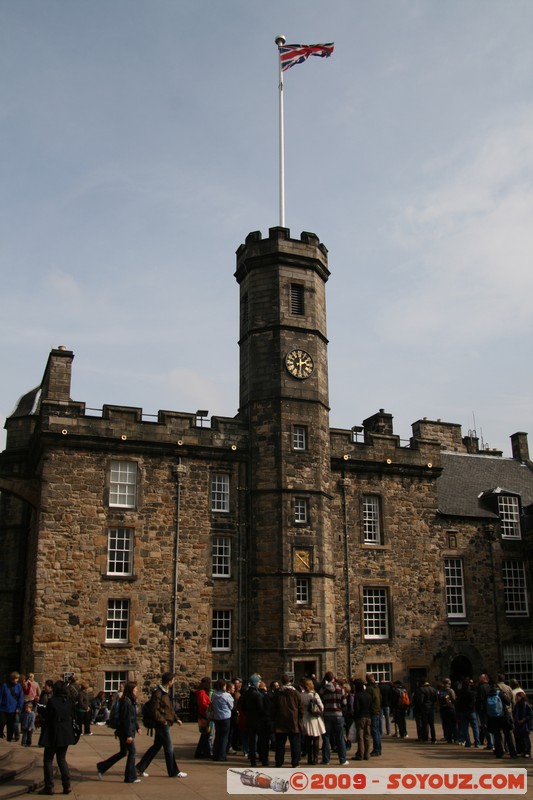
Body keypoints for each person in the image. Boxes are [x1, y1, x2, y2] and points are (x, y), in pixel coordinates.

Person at [136, 672, 187, 779]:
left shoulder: (165, 693)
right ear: (169, 682)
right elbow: (155, 710)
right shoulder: (158, 693)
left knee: (156, 747)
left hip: (165, 723)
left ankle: (140, 767)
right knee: (169, 748)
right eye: (173, 680)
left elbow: (169, 709)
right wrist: (162, 721)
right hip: (162, 725)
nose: (174, 682)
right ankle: (173, 771)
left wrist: (176, 718)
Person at [97, 681, 142, 783]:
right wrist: (129, 735)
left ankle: (102, 767)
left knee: (123, 752)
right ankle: (130, 777)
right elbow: (126, 719)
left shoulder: (129, 700)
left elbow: (132, 717)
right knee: (132, 752)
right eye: (135, 689)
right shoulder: (126, 701)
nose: (137, 690)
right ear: (131, 690)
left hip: (123, 731)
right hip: (125, 732)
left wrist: (137, 727)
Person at [37, 680, 77, 795]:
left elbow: (48, 715)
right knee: (62, 759)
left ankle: (49, 786)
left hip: (54, 733)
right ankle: (67, 785)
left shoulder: (52, 702)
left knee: (48, 760)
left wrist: (40, 708)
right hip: (66, 733)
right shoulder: (69, 702)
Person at [272, 674, 304, 768]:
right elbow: (301, 708)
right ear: (290, 681)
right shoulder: (296, 693)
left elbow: (273, 708)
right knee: (295, 744)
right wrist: (299, 719)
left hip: (280, 722)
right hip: (293, 722)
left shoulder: (277, 694)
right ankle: (295, 762)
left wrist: (275, 718)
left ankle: (279, 762)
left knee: (280, 745)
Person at [320, 671, 349, 765]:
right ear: (333, 678)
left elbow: (321, 701)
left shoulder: (323, 689)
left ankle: (326, 760)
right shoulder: (340, 688)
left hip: (327, 714)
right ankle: (343, 759)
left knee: (326, 737)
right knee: (340, 737)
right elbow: (344, 703)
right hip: (338, 714)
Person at [210, 678, 234, 761]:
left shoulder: (214, 694)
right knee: (224, 737)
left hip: (217, 717)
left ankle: (215, 754)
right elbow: (231, 706)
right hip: (225, 717)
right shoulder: (226, 695)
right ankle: (222, 755)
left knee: (217, 736)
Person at [351, 678, 372, 761]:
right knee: (367, 736)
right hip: (368, 717)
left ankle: (360, 754)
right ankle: (367, 754)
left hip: (360, 718)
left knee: (360, 737)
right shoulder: (368, 695)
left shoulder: (357, 695)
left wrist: (355, 717)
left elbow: (356, 708)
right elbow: (371, 707)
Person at [0, 672, 24, 741]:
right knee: (1, 723)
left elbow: (21, 698)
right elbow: (1, 696)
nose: (17, 680)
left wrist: (19, 707)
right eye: (16, 678)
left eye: (17, 678)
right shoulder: (4, 685)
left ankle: (9, 738)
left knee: (10, 725)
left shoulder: (18, 686)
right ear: (12, 679)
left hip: (13, 708)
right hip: (3, 708)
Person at [194, 677, 213, 759]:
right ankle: (200, 752)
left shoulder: (202, 692)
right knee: (205, 735)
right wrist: (210, 705)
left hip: (204, 715)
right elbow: (203, 705)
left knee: (205, 735)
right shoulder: (202, 693)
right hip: (204, 716)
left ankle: (204, 752)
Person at [366, 674, 382, 756]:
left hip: (373, 712)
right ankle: (379, 749)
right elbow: (380, 698)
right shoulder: (377, 688)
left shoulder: (369, 689)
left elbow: (368, 701)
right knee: (378, 731)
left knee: (375, 731)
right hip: (378, 710)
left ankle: (376, 750)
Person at [513, 691, 532, 758]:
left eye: (517, 697)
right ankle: (523, 751)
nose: (516, 698)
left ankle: (528, 752)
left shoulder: (526, 705)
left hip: (525, 724)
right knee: (521, 739)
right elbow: (514, 713)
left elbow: (530, 715)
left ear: (521, 697)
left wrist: (524, 720)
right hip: (518, 724)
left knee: (526, 739)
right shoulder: (517, 705)